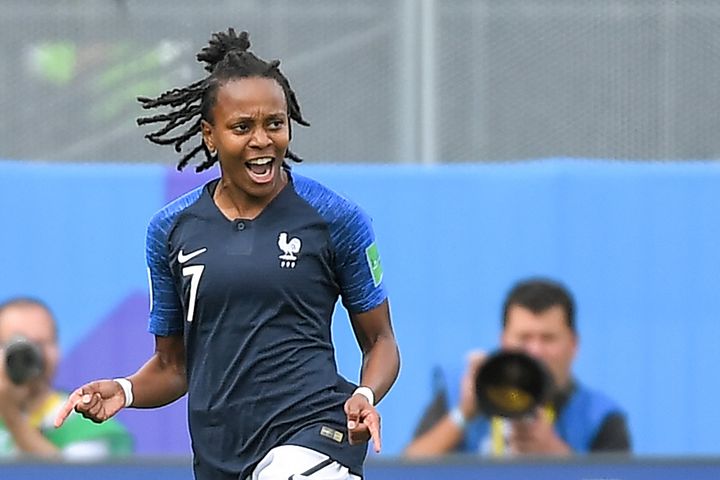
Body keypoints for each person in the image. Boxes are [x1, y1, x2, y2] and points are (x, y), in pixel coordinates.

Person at [54, 28, 400, 480]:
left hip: (315, 435)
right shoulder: (171, 230)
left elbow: (381, 343)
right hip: (220, 455)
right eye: (242, 127)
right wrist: (125, 390)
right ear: (210, 136)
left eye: (274, 124)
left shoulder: (335, 218)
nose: (262, 140)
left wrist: (365, 395)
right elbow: (173, 366)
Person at [404, 278, 630, 457]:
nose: (535, 352)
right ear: (503, 341)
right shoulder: (462, 393)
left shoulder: (601, 417)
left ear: (573, 344)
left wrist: (556, 456)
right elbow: (404, 472)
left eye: (548, 339)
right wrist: (464, 413)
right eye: (524, 338)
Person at [0, 297, 133, 458]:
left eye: (40, 343)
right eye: (14, 345)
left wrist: (13, 418)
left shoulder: (90, 426)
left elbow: (71, 475)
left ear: (56, 348)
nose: (28, 355)